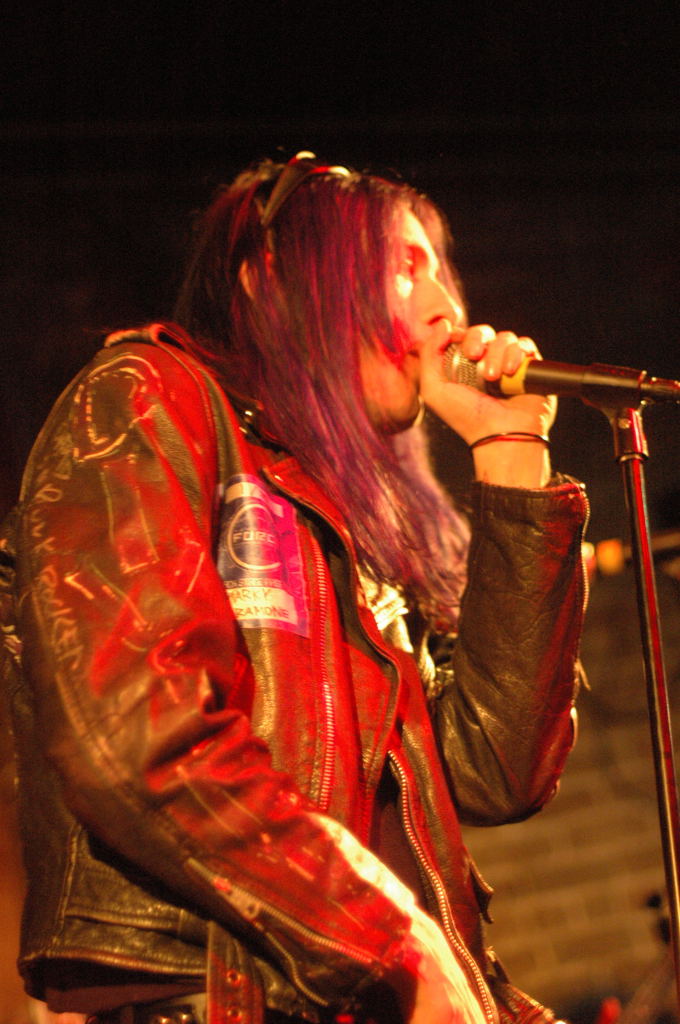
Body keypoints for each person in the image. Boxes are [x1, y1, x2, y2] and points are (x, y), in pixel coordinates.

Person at [0, 152, 588, 1024]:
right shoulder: (147, 398)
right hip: (224, 997)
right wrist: (391, 937)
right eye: (404, 265)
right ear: (268, 278)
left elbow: (498, 772)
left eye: (443, 270)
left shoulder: (354, 518)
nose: (446, 308)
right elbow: (139, 732)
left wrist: (510, 452)